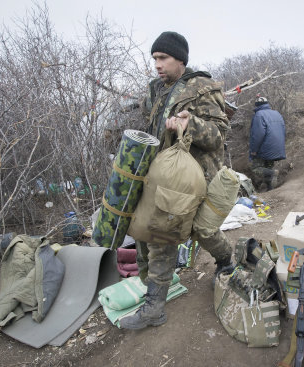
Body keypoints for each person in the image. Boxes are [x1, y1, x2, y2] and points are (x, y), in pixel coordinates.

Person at [119, 31, 234, 330]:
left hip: (194, 177)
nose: (157, 64)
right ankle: (154, 306)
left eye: (163, 58)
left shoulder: (202, 87)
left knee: (203, 231)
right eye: (154, 58)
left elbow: (219, 135)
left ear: (180, 59)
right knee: (158, 235)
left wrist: (190, 123)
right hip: (162, 177)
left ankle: (226, 259)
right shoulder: (156, 90)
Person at [249, 96, 286, 191]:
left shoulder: (259, 115)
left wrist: (254, 150)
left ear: (256, 105)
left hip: (265, 148)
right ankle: (270, 189)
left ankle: (272, 174)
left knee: (256, 168)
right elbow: (283, 130)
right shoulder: (277, 113)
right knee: (268, 167)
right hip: (277, 147)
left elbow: (258, 135)